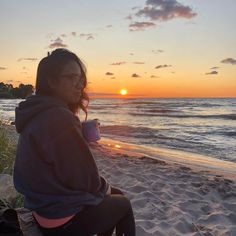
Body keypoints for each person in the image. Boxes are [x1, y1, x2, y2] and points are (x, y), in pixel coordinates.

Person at [13, 48, 135, 236]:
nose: (79, 85)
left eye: (80, 79)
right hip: (59, 218)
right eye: (71, 78)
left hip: (41, 207)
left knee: (113, 197)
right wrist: (105, 188)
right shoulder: (60, 117)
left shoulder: (33, 112)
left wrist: (77, 134)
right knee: (123, 204)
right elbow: (86, 180)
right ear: (51, 81)